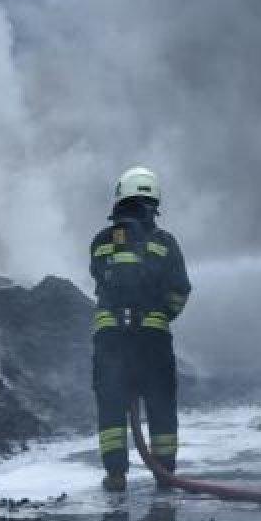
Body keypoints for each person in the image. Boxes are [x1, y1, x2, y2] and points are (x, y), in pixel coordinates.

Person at [89, 166, 192, 492]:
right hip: (153, 342)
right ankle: (165, 474)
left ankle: (116, 475)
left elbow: (98, 279)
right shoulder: (165, 243)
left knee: (111, 406)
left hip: (111, 341)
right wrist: (162, 315)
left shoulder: (102, 242)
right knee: (161, 406)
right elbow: (181, 289)